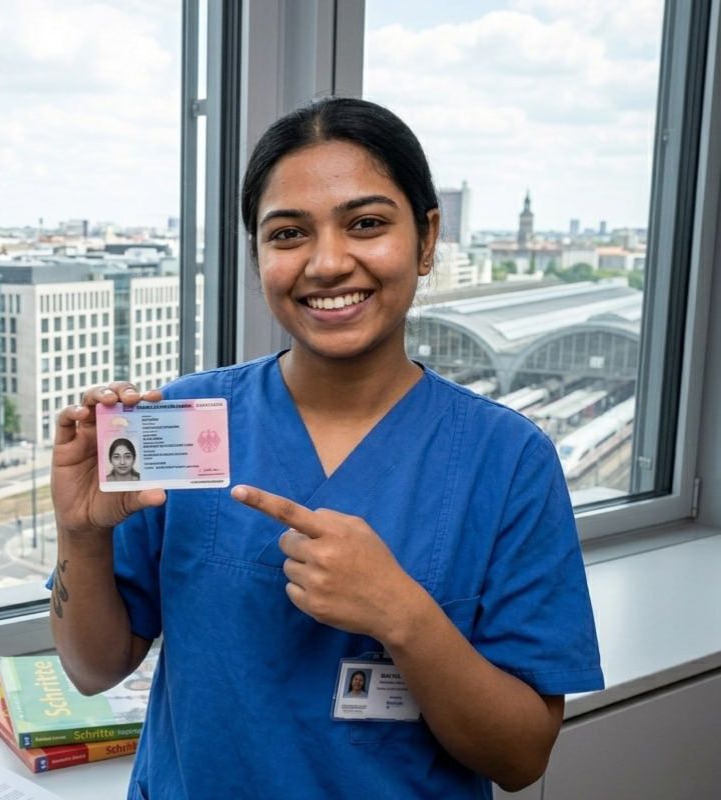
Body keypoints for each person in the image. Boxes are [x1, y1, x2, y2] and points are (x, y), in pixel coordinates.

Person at [48, 96, 603, 799]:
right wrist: (81, 535)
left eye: (366, 224)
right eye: (288, 234)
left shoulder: (508, 460)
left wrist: (402, 613)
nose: (328, 263)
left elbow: (522, 757)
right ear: (258, 257)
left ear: (427, 240)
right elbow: (93, 670)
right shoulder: (188, 420)